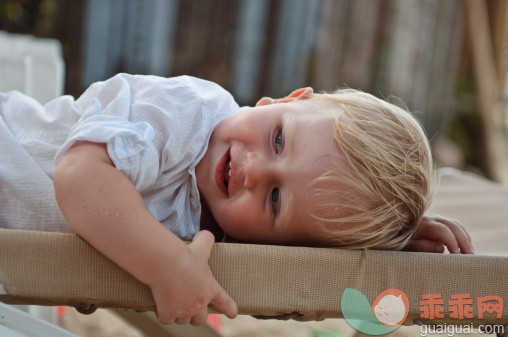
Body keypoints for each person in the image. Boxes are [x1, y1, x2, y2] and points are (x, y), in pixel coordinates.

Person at [0, 74, 473, 326]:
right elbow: (78, 179)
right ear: (282, 100)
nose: (253, 169)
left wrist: (394, 236)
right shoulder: (189, 112)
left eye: (274, 200)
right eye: (279, 141)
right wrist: (170, 268)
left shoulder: (230, 231)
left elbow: (320, 252)